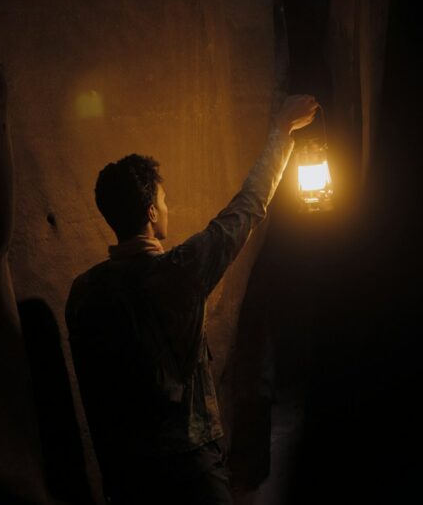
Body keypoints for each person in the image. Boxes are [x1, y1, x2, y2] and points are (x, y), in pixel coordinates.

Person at [65, 94, 319, 504]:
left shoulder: (83, 292)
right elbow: (246, 208)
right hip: (189, 469)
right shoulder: (178, 271)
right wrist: (281, 133)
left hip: (126, 476)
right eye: (163, 202)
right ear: (150, 212)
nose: (167, 208)